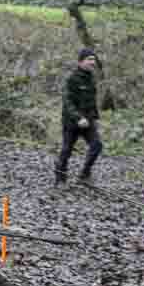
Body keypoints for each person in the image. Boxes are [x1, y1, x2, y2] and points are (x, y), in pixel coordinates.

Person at [54, 47, 102, 186]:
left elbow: (91, 101)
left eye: (93, 59)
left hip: (88, 121)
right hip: (72, 121)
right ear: (81, 62)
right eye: (89, 59)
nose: (92, 62)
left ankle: (84, 174)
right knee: (67, 149)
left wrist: (94, 118)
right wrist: (78, 118)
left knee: (97, 146)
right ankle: (60, 177)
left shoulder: (91, 79)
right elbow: (67, 101)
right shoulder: (72, 79)